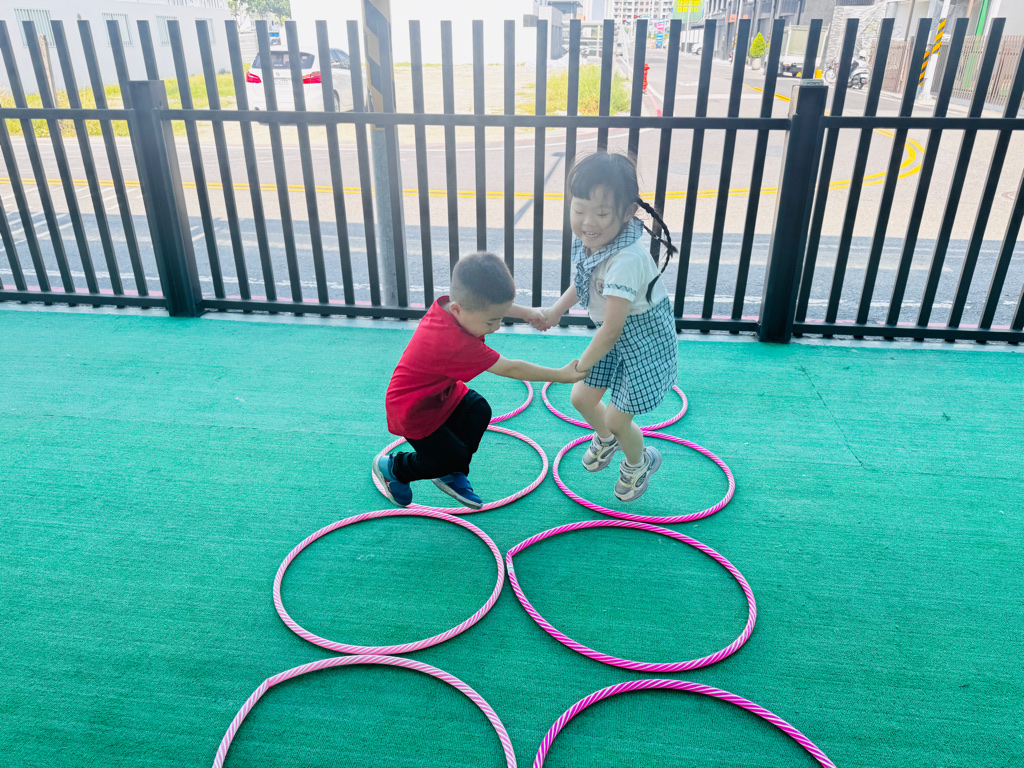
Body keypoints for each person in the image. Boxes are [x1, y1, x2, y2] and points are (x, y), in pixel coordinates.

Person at [374, 252, 588, 510]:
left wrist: (527, 313)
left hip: (440, 395)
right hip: (413, 410)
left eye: (499, 318)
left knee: (478, 409)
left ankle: (451, 471)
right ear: (458, 310)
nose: (496, 327)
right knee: (448, 457)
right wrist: (561, 375)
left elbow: (491, 304)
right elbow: (510, 367)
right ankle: (394, 468)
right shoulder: (454, 343)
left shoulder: (452, 307)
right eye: (490, 321)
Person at [536, 152, 678, 503]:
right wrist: (555, 311)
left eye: (601, 214)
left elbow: (613, 330)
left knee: (616, 418)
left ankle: (639, 463)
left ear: (627, 212)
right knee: (581, 398)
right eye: (579, 209)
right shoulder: (594, 241)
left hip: (644, 343)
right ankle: (607, 440)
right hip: (612, 338)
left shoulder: (626, 259)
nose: (588, 222)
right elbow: (585, 280)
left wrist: (580, 366)